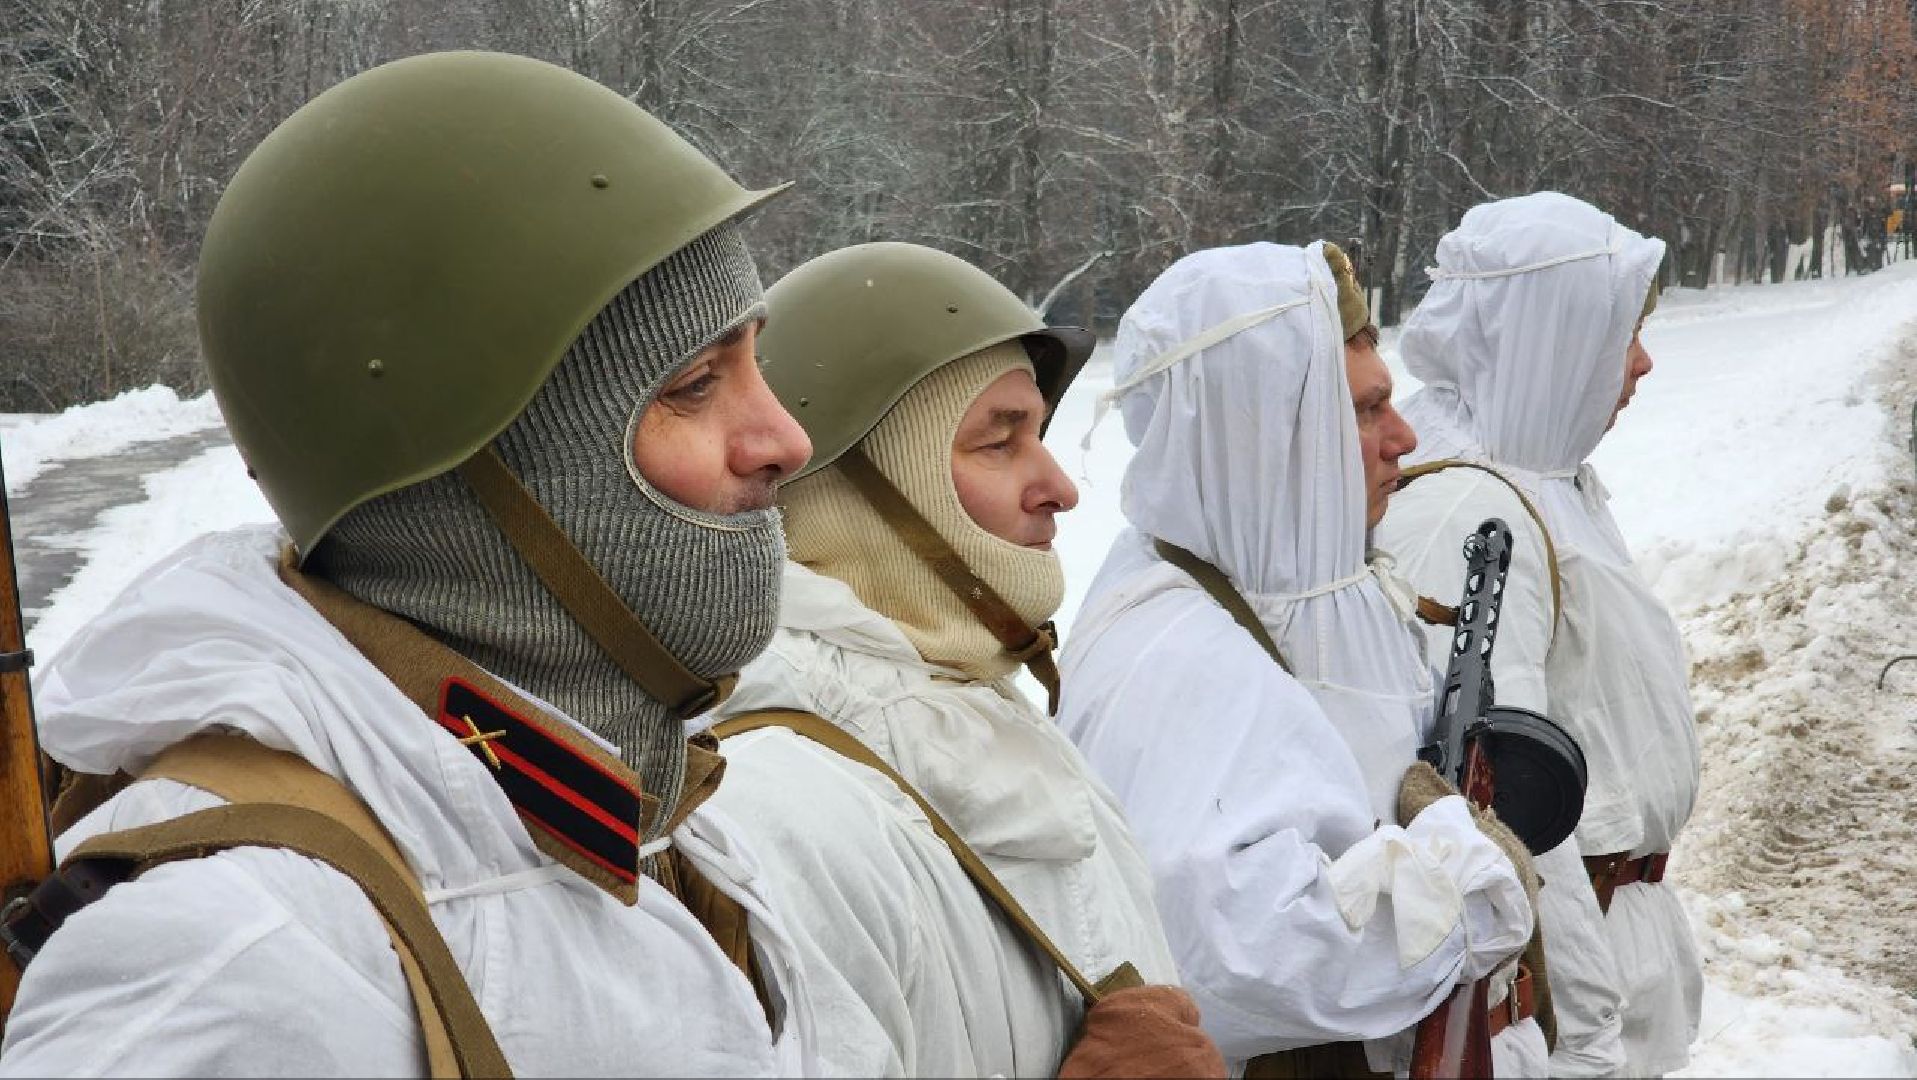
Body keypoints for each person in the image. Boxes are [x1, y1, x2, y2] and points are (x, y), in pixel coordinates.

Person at [0, 51, 828, 1076]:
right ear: (449, 479)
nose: (786, 437)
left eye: (759, 360)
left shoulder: (645, 812)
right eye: (695, 383)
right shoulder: (231, 962)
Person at [704, 242, 1222, 1078]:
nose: (1059, 486)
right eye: (998, 442)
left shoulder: (981, 708)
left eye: (1041, 434)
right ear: (851, 490)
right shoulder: (774, 798)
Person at [1055, 240, 1543, 1076]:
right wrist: (1462, 881)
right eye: (1363, 410)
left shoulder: (1308, 590)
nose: (1404, 436)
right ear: (1272, 435)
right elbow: (1230, 960)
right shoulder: (1178, 649)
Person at [1376, 191, 1699, 1077]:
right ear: (1547, 343)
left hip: (1614, 957)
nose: (1641, 364)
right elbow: (1497, 809)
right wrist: (1583, 1034)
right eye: (1617, 336)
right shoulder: (1463, 510)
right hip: (1560, 987)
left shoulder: (1552, 488)